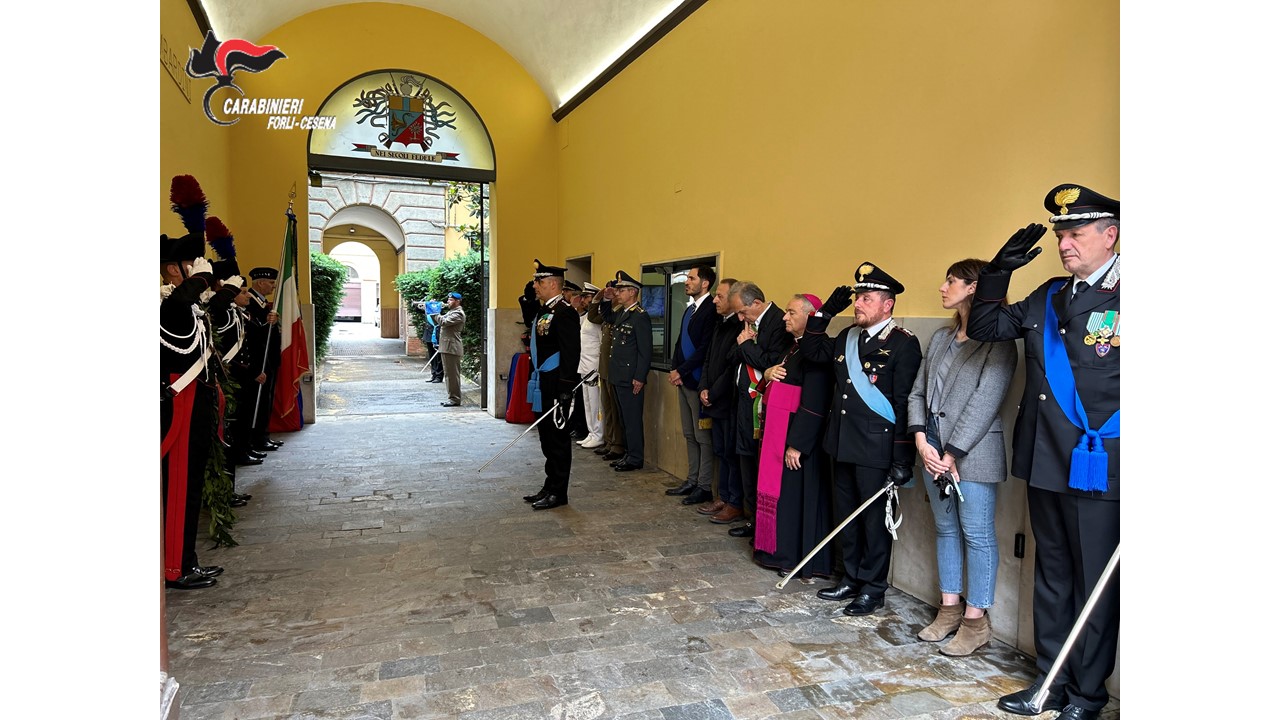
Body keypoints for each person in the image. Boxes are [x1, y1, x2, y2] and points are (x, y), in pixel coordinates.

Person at [968, 184, 1120, 720]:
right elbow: (985, 327)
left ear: (1111, 235)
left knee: (1095, 582)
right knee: (1051, 573)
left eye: (1075, 233)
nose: (1064, 244)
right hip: (1045, 459)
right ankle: (1050, 679)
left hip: (1102, 466)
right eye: (1061, 235)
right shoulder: (1050, 295)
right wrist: (997, 272)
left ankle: (1086, 695)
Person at [906, 258, 1018, 656]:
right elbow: (917, 392)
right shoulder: (939, 338)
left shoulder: (999, 340)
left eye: (950, 280)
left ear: (973, 288)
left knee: (978, 534)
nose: (942, 286)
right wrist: (921, 439)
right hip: (932, 450)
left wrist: (952, 453)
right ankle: (949, 610)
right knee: (946, 530)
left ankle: (975, 622)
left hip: (973, 453)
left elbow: (987, 400)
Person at [802, 262, 921, 616]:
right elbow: (812, 351)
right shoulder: (847, 337)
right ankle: (851, 577)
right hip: (841, 443)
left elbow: (903, 402)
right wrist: (824, 312)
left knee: (873, 522)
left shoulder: (903, 345)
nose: (858, 305)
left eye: (866, 298)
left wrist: (903, 459)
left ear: (888, 305)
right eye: (857, 299)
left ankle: (873, 588)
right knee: (847, 517)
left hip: (876, 449)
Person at [160, 176, 221, 590]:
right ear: (170, 268)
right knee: (179, 485)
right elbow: (177, 325)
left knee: (190, 481)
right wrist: (197, 282)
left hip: (192, 401)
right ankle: (176, 566)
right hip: (176, 404)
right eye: (187, 265)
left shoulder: (179, 301)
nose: (194, 272)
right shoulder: (165, 302)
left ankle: (186, 558)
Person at [752, 294, 835, 581]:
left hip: (798, 437)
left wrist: (798, 444)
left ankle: (797, 556)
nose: (784, 317)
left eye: (790, 312)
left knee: (797, 498)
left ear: (810, 317)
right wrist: (768, 372)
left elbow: (815, 401)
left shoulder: (818, 350)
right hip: (780, 430)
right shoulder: (793, 348)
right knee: (783, 496)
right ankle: (779, 550)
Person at [725, 281, 792, 538]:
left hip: (763, 406)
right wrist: (744, 345)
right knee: (744, 461)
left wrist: (747, 346)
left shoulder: (778, 322)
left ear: (756, 303)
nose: (740, 318)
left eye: (742, 312)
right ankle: (750, 517)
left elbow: (770, 363)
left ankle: (761, 522)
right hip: (742, 402)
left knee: (758, 465)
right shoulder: (747, 324)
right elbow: (732, 356)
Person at [521, 260, 583, 509]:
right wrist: (528, 294)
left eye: (540, 282)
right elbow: (529, 317)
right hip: (543, 382)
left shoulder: (565, 312)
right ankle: (549, 485)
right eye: (536, 281)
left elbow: (571, 353)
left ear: (554, 284)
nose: (536, 286)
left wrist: (565, 388)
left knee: (557, 439)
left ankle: (559, 492)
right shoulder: (545, 310)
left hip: (556, 383)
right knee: (546, 437)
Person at [665, 265, 718, 505]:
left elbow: (704, 350)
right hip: (684, 380)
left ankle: (704, 485)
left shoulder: (711, 310)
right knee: (688, 434)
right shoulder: (689, 310)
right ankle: (692, 479)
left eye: (691, 278)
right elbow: (679, 343)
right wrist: (675, 369)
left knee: (702, 436)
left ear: (705, 283)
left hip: (697, 382)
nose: (686, 282)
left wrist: (682, 371)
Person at [695, 277, 744, 524]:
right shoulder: (720, 324)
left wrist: (713, 392)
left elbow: (731, 366)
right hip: (712, 397)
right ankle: (722, 496)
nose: (715, 300)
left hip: (726, 400)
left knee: (730, 453)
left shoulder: (739, 326)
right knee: (720, 451)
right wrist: (703, 386)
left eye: (720, 296)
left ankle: (734, 501)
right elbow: (708, 359)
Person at [602, 270, 652, 472]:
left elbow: (645, 351)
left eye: (621, 290)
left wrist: (639, 377)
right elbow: (606, 316)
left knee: (632, 420)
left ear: (632, 292)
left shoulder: (640, 317)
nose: (618, 292)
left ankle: (635, 458)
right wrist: (606, 299)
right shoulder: (623, 313)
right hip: (618, 376)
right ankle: (627, 454)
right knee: (623, 418)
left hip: (630, 377)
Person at [245, 267, 283, 453]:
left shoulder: (261, 302)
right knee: (257, 402)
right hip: (258, 361)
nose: (274, 286)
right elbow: (254, 336)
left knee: (265, 400)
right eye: (271, 283)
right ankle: (256, 438)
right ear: (260, 283)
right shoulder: (250, 302)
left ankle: (263, 435)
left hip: (268, 358)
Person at [588, 281, 627, 461]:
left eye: (618, 290)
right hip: (605, 368)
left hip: (614, 368)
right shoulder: (610, 312)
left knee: (615, 409)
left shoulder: (621, 313)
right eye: (613, 290)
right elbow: (592, 317)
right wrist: (599, 297)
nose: (615, 293)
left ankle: (617, 444)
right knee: (608, 408)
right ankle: (610, 441)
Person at [575, 282, 605, 449]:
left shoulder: (597, 317)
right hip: (584, 365)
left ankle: (598, 434)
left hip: (594, 366)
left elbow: (602, 344)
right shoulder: (586, 317)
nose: (583, 300)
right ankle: (591, 432)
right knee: (587, 402)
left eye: (586, 297)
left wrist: (599, 367)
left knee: (595, 404)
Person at [433, 291, 466, 406]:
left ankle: (455, 399)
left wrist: (435, 311)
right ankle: (451, 397)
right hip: (447, 346)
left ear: (458, 301)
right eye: (448, 299)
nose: (448, 301)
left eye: (451, 300)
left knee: (452, 375)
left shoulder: (458, 313)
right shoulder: (451, 311)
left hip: (452, 347)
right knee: (448, 374)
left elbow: (443, 322)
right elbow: (437, 321)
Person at [419, 297, 444, 383]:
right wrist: (423, 303)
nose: (432, 301)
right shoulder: (427, 308)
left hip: (438, 335)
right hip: (429, 335)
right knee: (432, 356)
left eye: (434, 300)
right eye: (431, 300)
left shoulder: (440, 308)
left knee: (438, 357)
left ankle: (439, 375)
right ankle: (433, 374)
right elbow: (418, 309)